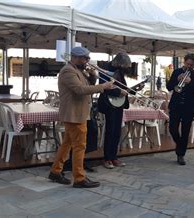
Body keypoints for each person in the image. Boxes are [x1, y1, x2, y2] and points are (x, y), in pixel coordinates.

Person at [48, 47, 115, 188]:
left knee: (67, 144)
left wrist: (93, 76)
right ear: (77, 58)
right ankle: (79, 178)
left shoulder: (78, 71)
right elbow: (80, 90)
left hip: (77, 113)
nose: (87, 62)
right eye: (86, 59)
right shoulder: (68, 71)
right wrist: (104, 86)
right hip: (74, 114)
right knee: (80, 146)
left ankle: (55, 171)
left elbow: (88, 86)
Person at [97, 52, 139, 169]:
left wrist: (133, 90)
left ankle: (114, 157)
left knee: (117, 132)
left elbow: (122, 88)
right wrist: (119, 92)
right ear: (120, 63)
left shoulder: (119, 71)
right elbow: (104, 88)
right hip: (109, 104)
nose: (126, 68)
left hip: (118, 104)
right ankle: (107, 159)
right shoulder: (105, 69)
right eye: (125, 65)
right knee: (110, 131)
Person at [166, 53, 194, 165]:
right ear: (184, 61)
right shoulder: (176, 72)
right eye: (187, 64)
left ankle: (181, 155)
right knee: (172, 128)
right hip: (175, 105)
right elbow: (169, 87)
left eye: (191, 65)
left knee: (186, 131)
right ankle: (180, 145)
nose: (188, 67)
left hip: (188, 107)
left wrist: (190, 82)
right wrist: (177, 80)